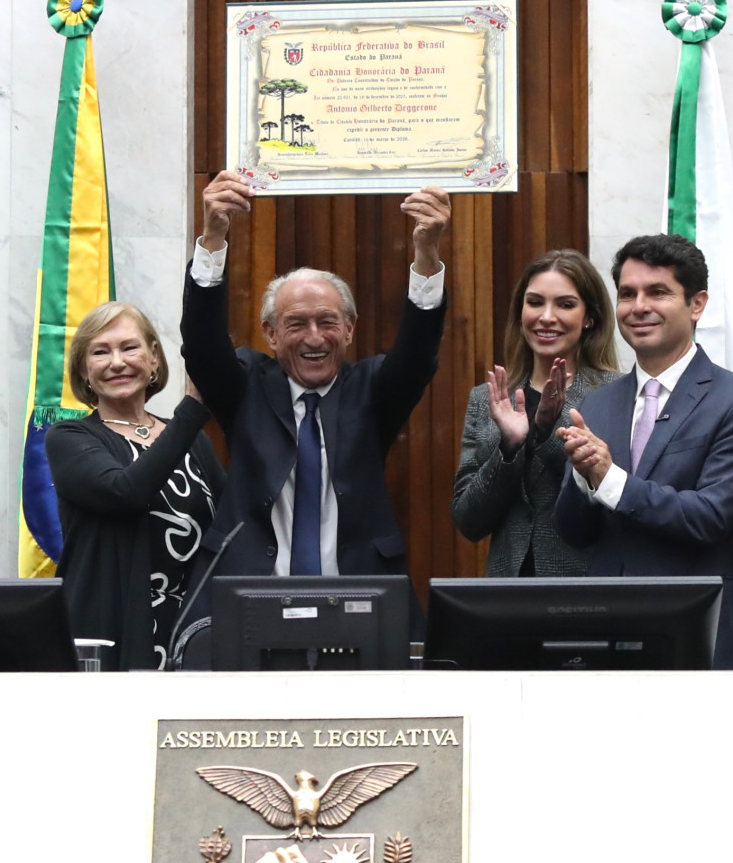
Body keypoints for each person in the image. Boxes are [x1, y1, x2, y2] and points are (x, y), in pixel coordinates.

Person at [181, 170, 449, 584]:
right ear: (269, 334)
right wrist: (213, 239)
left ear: (349, 329)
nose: (314, 337)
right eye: (296, 324)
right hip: (254, 593)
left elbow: (417, 354)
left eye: (327, 321)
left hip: (359, 594)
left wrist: (427, 255)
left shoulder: (372, 390)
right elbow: (201, 347)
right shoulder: (247, 384)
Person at [552, 234, 733, 668]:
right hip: (610, 637)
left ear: (697, 304)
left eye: (658, 292)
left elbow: (711, 518)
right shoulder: (596, 403)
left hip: (697, 633)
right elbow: (574, 534)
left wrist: (609, 478)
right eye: (628, 294)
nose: (638, 307)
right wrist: (582, 477)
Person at [45, 302, 224, 670]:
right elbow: (125, 491)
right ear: (83, 370)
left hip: (192, 633)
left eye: (129, 347)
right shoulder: (70, 436)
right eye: (100, 352)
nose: (117, 362)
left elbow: (227, 527)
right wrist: (191, 408)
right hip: (110, 634)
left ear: (154, 357)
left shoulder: (192, 440)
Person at [451, 249, 620, 576]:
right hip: (509, 597)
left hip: (588, 593)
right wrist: (509, 449)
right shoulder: (485, 399)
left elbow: (614, 508)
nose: (546, 316)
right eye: (535, 302)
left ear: (590, 318)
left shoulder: (616, 393)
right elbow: (468, 522)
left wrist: (546, 431)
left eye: (565, 304)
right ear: (520, 312)